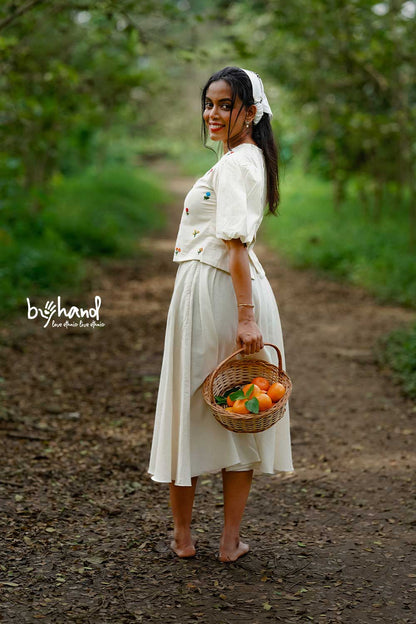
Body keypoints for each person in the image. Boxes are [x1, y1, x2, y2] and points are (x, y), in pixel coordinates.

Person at [148, 66, 293, 562]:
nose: (213, 113)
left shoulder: (238, 164)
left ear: (250, 112)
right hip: (221, 288)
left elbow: (234, 243)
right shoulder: (244, 160)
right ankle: (222, 541)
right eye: (209, 103)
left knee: (209, 404)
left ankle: (189, 538)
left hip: (221, 293)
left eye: (226, 104)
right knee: (235, 406)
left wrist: (246, 317)